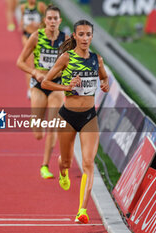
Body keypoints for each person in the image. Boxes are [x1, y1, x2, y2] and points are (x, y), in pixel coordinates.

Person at [41, 20, 109, 223]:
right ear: (75, 36)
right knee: (67, 161)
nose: (85, 38)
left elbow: (104, 78)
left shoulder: (97, 60)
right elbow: (46, 82)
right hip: (67, 116)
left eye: (89, 34)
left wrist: (104, 85)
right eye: (81, 34)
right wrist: (66, 88)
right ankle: (62, 171)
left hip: (89, 117)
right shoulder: (66, 58)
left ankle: (82, 210)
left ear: (92, 37)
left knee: (89, 163)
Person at [16, 5, 68, 179]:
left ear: (60, 21)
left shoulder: (66, 40)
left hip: (56, 87)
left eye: (56, 19)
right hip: (38, 86)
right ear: (44, 21)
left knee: (53, 127)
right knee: (38, 134)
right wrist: (35, 72)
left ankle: (44, 166)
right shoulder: (36, 37)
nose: (52, 21)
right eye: (49, 18)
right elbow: (20, 62)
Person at [19, 0, 47, 99]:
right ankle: (30, 89)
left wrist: (39, 25)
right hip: (27, 37)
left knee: (39, 64)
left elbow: (47, 19)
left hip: (38, 38)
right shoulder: (23, 7)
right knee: (29, 64)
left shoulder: (41, 6)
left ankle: (40, 86)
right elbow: (22, 23)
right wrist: (24, 26)